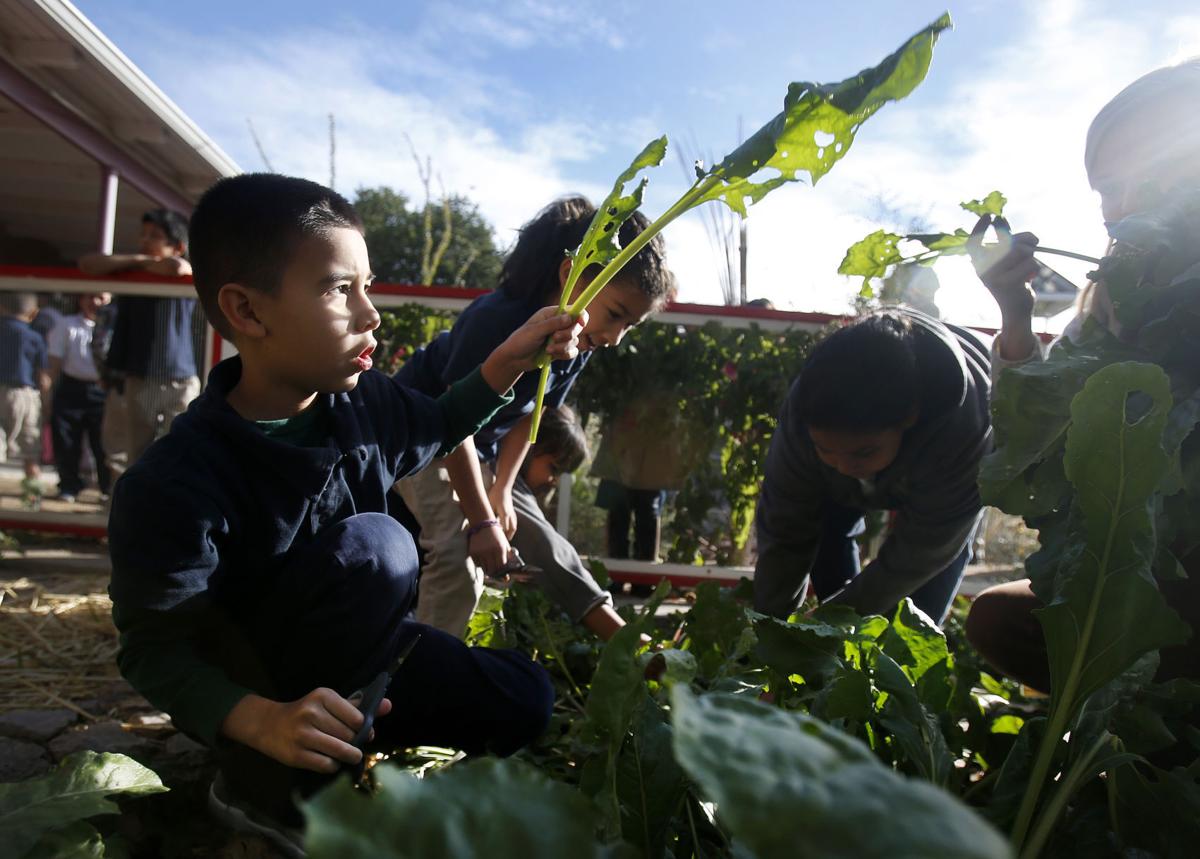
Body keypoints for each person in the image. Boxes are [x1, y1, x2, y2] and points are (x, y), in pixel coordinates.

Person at [106, 174, 584, 854]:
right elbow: (154, 650)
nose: (372, 313)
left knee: (525, 698)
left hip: (372, 660)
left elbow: (444, 421)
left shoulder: (366, 405)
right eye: (339, 289)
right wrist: (260, 719)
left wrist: (509, 359)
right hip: (267, 690)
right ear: (246, 310)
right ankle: (260, 782)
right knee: (381, 545)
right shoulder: (173, 482)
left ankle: (359, 721)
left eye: (369, 285)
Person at [965, 60, 1200, 691]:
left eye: (1152, 176)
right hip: (1147, 582)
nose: (1121, 205)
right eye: (1106, 189)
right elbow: (1032, 461)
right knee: (1001, 619)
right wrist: (1015, 316)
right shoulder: (1106, 306)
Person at [394, 196, 675, 640]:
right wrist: (483, 520)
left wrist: (503, 490)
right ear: (571, 276)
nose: (616, 339)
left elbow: (532, 417)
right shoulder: (495, 318)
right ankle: (425, 682)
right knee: (455, 557)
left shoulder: (577, 343)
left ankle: (625, 642)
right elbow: (453, 423)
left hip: (480, 449)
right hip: (422, 438)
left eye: (631, 327)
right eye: (617, 315)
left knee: (545, 542)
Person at [753, 308, 991, 624]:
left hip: (945, 477)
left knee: (912, 619)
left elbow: (920, 554)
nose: (843, 466)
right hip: (866, 462)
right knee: (827, 533)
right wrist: (772, 630)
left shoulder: (964, 433)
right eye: (826, 450)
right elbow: (785, 533)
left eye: (862, 453)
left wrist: (832, 622)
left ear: (909, 417)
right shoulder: (803, 415)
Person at [79, 209, 202, 478]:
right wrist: (138, 261)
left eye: (155, 236)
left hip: (180, 377)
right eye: (143, 235)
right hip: (140, 376)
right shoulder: (133, 272)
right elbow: (88, 264)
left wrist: (137, 263)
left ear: (177, 246)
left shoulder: (178, 274)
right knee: (138, 452)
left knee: (181, 449)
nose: (145, 240)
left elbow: (177, 267)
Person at [47, 292, 112, 502]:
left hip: (103, 390)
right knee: (66, 440)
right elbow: (54, 361)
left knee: (104, 444)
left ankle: (107, 489)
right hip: (70, 388)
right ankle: (69, 486)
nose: (94, 302)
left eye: (100, 297)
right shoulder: (66, 324)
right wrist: (47, 393)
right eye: (88, 296)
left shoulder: (115, 325)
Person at [0, 292, 50, 502]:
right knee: (30, 447)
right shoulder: (34, 336)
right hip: (25, 394)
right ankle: (33, 496)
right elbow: (43, 376)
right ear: (33, 312)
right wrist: (47, 402)